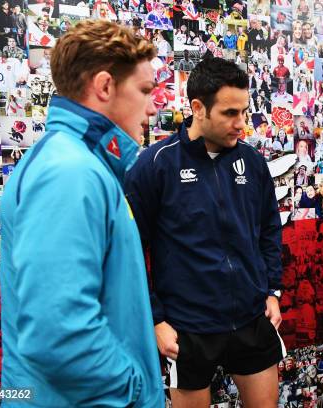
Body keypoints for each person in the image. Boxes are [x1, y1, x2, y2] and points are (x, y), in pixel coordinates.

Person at [0, 20, 164, 406]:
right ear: (105, 86)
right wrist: (135, 390)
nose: (153, 108)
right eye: (144, 91)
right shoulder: (70, 172)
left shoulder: (77, 163)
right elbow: (58, 333)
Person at [125, 56, 284, 408]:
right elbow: (130, 251)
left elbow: (270, 230)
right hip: (188, 328)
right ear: (198, 107)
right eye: (230, 113)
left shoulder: (253, 162)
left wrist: (272, 290)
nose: (241, 123)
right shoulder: (155, 165)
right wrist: (156, 320)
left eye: (244, 111)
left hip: (250, 317)